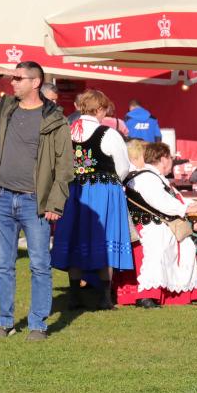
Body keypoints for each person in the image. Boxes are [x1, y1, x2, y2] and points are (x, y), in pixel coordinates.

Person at [0, 63, 72, 340]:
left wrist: (55, 203)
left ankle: (38, 325)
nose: (12, 82)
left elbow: (64, 166)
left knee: (39, 265)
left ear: (35, 82)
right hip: (1, 199)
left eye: (18, 78)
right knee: (2, 265)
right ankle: (5, 322)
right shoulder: (3, 107)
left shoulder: (55, 119)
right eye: (12, 77)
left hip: (35, 202)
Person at [51, 89, 134, 310]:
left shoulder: (66, 132)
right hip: (103, 191)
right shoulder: (109, 134)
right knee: (105, 240)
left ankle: (74, 296)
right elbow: (123, 167)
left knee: (76, 240)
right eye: (105, 109)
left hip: (74, 192)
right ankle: (105, 298)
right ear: (99, 109)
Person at [117, 142, 197, 308]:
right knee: (159, 247)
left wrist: (193, 204)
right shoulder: (146, 177)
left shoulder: (154, 177)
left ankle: (173, 293)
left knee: (186, 246)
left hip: (157, 224)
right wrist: (187, 208)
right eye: (170, 158)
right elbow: (160, 201)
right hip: (147, 227)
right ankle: (146, 295)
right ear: (163, 159)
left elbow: (173, 198)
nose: (171, 162)